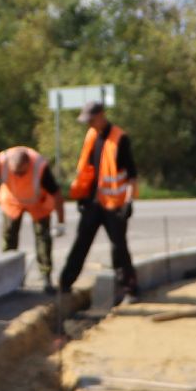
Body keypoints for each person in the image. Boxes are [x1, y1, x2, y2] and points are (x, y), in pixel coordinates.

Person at [58, 101, 138, 299]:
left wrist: (128, 202)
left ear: (101, 115)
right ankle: (65, 285)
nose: (89, 124)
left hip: (114, 205)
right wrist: (81, 196)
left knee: (119, 248)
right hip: (92, 202)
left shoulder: (120, 138)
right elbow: (87, 169)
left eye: (91, 120)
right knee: (81, 243)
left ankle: (129, 290)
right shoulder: (91, 135)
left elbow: (131, 175)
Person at [0, 145, 66, 293]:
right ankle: (8, 277)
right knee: (9, 237)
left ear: (28, 164)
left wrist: (61, 222)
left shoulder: (40, 166)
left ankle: (46, 275)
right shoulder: (2, 162)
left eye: (21, 172)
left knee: (43, 238)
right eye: (15, 173)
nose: (18, 176)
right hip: (12, 201)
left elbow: (57, 195)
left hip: (38, 202)